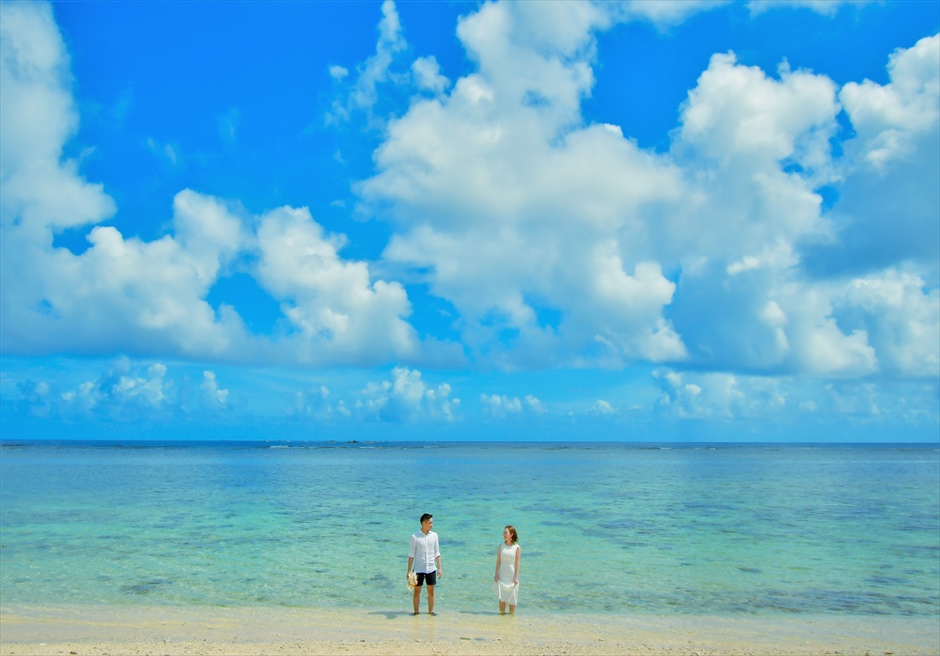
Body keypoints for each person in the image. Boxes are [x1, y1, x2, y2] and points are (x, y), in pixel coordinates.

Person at [407, 513, 442, 615]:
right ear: (424, 523)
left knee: (431, 592)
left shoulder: (434, 536)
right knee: (417, 592)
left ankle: (430, 612)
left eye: (432, 522)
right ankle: (416, 612)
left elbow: (437, 553)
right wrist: (408, 571)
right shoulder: (415, 537)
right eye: (430, 523)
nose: (432, 525)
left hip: (431, 568)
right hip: (418, 569)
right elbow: (411, 555)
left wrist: (440, 568)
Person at [493, 525, 521, 615]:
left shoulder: (516, 547)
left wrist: (516, 577)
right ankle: (501, 625)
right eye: (504, 532)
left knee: (512, 606)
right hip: (502, 577)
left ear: (511, 535)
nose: (504, 534)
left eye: (506, 532)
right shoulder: (501, 546)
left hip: (512, 577)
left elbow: (517, 564)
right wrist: (496, 574)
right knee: (501, 605)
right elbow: (498, 561)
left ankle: (511, 626)